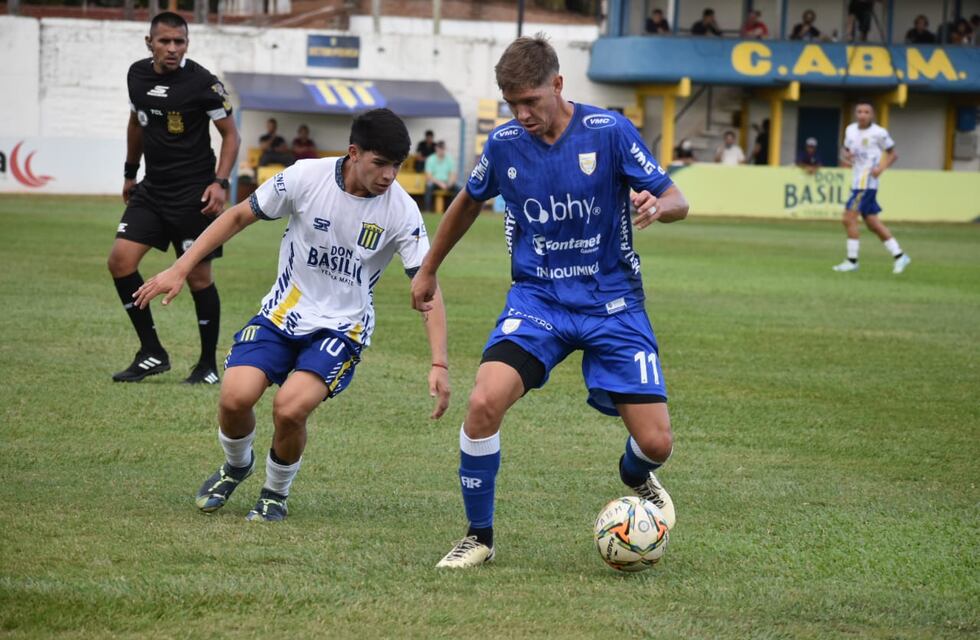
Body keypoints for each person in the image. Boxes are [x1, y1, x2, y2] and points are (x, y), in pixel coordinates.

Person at [410, 35, 689, 568]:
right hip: (538, 301)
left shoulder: (608, 132)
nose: (522, 114)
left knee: (657, 443)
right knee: (482, 403)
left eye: (530, 101)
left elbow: (676, 197)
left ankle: (635, 475)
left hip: (613, 303)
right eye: (512, 103)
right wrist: (428, 269)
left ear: (558, 85)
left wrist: (659, 204)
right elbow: (468, 201)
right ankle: (480, 536)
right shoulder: (505, 144)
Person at [133, 108, 451, 522]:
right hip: (281, 315)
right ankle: (236, 465)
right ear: (354, 153)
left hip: (342, 328)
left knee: (289, 408)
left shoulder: (401, 212)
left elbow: (428, 286)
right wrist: (181, 267)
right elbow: (238, 215)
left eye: (397, 165)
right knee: (234, 398)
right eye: (380, 163)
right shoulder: (305, 177)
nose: (390, 175)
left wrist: (439, 361)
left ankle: (274, 493)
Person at [108, 11, 240, 384]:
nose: (172, 48)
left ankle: (207, 366)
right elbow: (136, 123)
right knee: (120, 261)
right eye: (164, 41)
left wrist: (220, 182)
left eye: (179, 42)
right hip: (153, 189)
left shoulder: (203, 83)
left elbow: (231, 135)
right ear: (149, 42)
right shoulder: (137, 75)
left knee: (199, 278)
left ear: (187, 44)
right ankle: (152, 351)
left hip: (194, 194)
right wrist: (130, 173)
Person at [833, 102, 909, 274]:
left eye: (866, 112)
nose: (862, 114)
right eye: (859, 111)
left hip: (866, 184)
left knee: (848, 218)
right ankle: (899, 255)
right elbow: (847, 151)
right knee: (873, 223)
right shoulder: (850, 130)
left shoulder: (879, 133)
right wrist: (848, 156)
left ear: (872, 115)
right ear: (855, 114)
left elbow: (892, 154)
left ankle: (852, 261)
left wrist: (880, 169)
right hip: (857, 181)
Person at [423, 141, 459, 212]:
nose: (441, 150)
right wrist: (440, 184)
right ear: (436, 149)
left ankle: (454, 210)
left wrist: (449, 183)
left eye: (443, 148)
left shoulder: (449, 159)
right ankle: (427, 210)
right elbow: (429, 176)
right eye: (440, 148)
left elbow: (453, 174)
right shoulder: (430, 159)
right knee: (429, 185)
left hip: (447, 182)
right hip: (435, 182)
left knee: (459, 188)